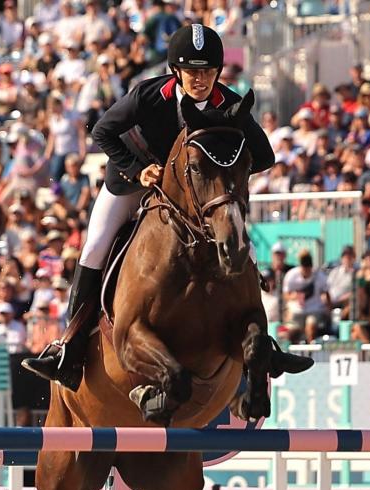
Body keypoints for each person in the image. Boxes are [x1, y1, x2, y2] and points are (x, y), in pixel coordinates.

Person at [22, 23, 309, 390]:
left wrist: (223, 173)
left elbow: (264, 155)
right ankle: (69, 347)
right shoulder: (148, 96)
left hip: (191, 196)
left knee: (242, 247)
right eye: (192, 71)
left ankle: (262, 344)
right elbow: (102, 133)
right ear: (177, 71)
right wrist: (139, 171)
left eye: (207, 71)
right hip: (132, 183)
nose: (200, 79)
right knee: (94, 245)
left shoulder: (229, 105)